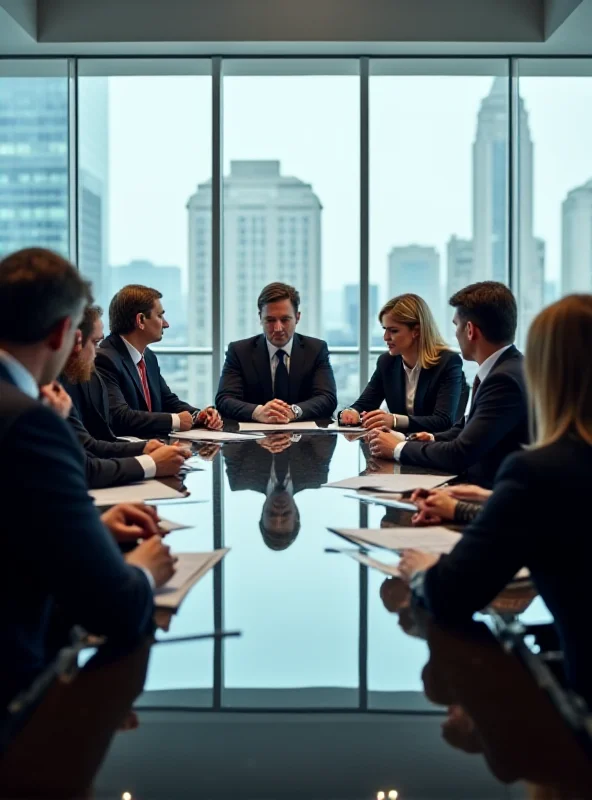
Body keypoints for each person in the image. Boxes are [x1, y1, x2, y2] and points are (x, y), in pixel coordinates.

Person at [0, 248, 176, 728]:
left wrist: (91, 526)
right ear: (62, 333)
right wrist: (142, 572)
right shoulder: (30, 420)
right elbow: (111, 609)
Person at [397, 294, 592, 707]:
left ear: (547, 372)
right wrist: (492, 500)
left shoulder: (539, 472)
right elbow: (570, 518)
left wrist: (421, 571)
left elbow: (451, 595)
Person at [368, 282, 528, 488]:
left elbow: (460, 454)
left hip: (491, 494)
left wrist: (399, 447)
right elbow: (466, 427)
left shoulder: (503, 380)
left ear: (469, 330)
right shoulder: (505, 368)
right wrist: (427, 438)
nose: (455, 334)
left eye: (456, 325)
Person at [59, 305, 190, 488]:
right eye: (95, 342)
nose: (97, 352)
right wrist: (152, 463)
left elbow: (92, 444)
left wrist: (146, 447)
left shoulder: (82, 376)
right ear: (75, 341)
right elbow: (86, 467)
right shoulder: (49, 390)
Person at [96, 284, 223, 438]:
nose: (166, 324)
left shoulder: (148, 356)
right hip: (125, 455)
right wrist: (175, 420)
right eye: (160, 316)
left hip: (153, 447)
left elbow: (167, 400)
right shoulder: (105, 359)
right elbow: (119, 416)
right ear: (140, 319)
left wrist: (199, 415)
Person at [339, 293, 466, 433]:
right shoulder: (386, 362)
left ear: (416, 331)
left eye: (393, 330)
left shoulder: (448, 362)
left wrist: (394, 420)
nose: (386, 337)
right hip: (396, 445)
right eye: (384, 329)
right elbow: (364, 404)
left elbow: (443, 420)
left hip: (436, 448)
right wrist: (350, 413)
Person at [215, 282, 337, 422]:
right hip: (252, 438)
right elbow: (224, 400)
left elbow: (327, 398)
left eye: (285, 319)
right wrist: (258, 412)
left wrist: (293, 411)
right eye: (270, 320)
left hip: (306, 439)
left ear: (297, 317)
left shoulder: (316, 350)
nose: (278, 328)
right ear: (260, 318)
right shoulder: (239, 352)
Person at [223, 434, 337, 549]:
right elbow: (326, 435)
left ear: (262, 513)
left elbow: (229, 436)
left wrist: (258, 435)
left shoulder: (240, 479)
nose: (279, 510)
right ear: (296, 513)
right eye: (286, 514)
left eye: (271, 513)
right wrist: (291, 434)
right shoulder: (315, 477)